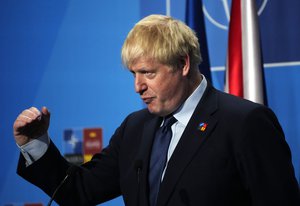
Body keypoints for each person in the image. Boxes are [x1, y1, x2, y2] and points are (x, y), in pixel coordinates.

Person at [13, 14, 299, 206]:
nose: (137, 87)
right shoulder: (135, 128)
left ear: (183, 64)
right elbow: (79, 191)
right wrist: (35, 145)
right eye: (133, 74)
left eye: (147, 73)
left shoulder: (244, 122)